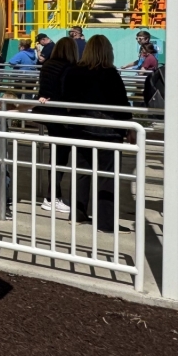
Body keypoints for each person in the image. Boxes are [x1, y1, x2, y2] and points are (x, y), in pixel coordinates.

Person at [60, 35, 133, 233]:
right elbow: (121, 103)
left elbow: (66, 97)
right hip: (107, 131)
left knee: (81, 173)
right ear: (107, 52)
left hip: (79, 128)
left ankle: (78, 214)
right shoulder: (110, 73)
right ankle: (105, 222)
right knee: (107, 177)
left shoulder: (73, 71)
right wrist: (129, 125)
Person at [35, 36, 80, 216]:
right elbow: (68, 92)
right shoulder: (70, 68)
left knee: (56, 155)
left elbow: (44, 90)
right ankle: (52, 196)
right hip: (63, 116)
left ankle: (52, 195)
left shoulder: (47, 65)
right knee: (61, 156)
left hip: (49, 113)